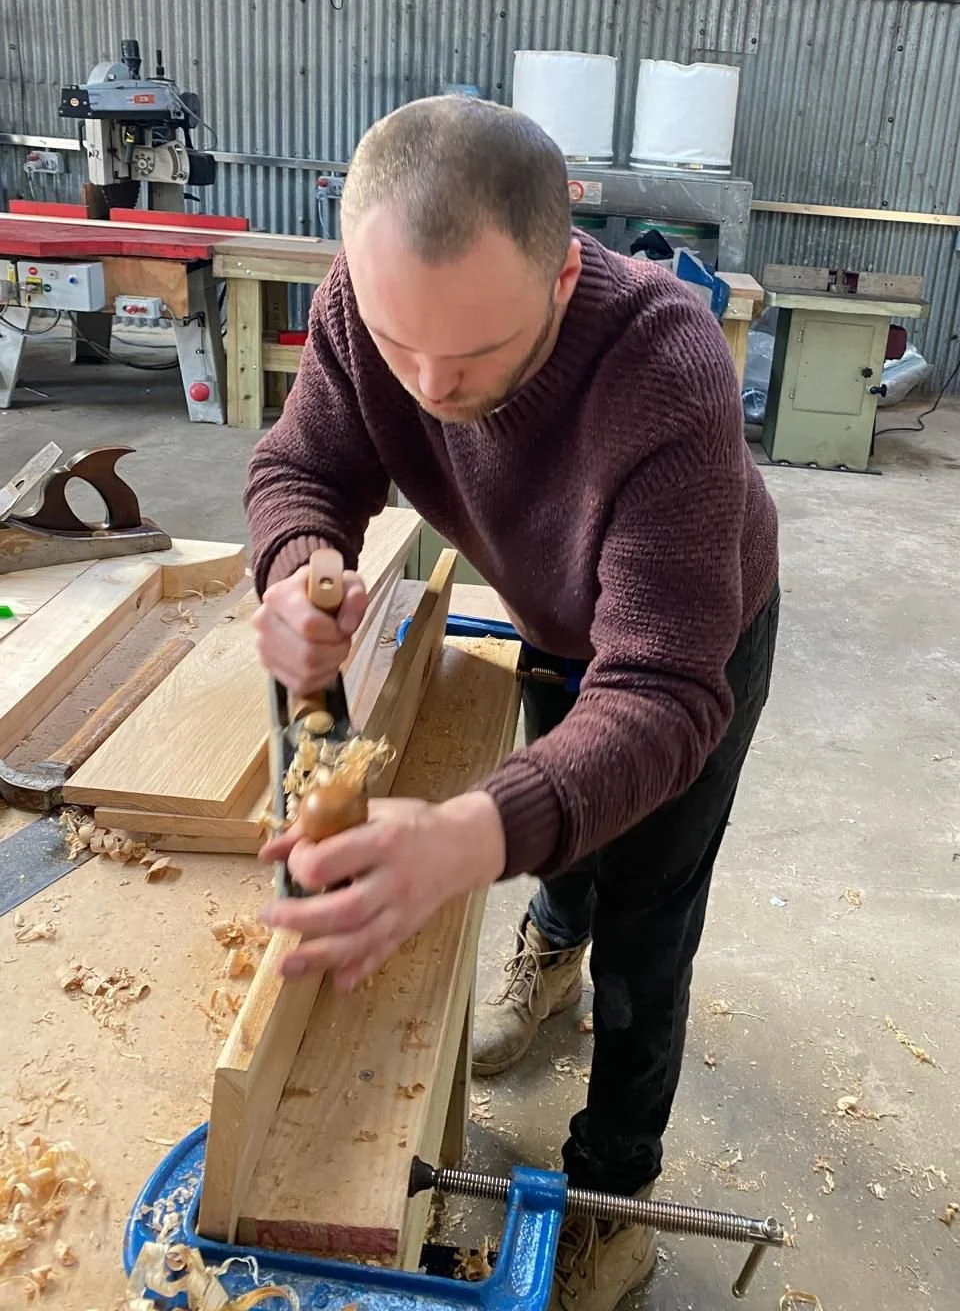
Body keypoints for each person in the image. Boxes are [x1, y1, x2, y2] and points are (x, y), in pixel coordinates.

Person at [246, 95, 779, 1311]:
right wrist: (293, 570)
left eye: (477, 358)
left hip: (692, 640)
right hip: (551, 609)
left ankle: (614, 1199)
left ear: (563, 272)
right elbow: (303, 467)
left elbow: (653, 692)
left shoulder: (669, 366)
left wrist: (463, 835)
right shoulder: (360, 304)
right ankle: (553, 939)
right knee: (558, 797)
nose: (431, 389)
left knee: (649, 915)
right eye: (398, 345)